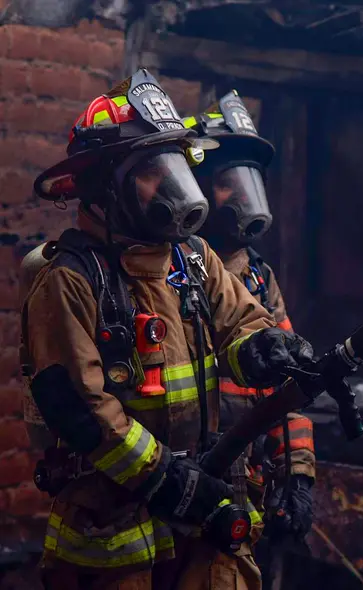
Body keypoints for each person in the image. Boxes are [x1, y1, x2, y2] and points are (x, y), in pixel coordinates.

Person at [21, 69, 315, 590]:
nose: (173, 187)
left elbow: (239, 322)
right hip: (115, 529)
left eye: (173, 166)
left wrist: (264, 347)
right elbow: (86, 410)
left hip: (203, 508)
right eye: (151, 171)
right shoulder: (69, 281)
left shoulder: (193, 256)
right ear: (104, 187)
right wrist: (166, 479)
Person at [181, 93, 316, 548]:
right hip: (179, 485)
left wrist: (298, 476)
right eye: (227, 181)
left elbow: (288, 387)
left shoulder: (258, 277)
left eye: (250, 180)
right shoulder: (170, 272)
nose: (242, 195)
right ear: (192, 187)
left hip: (245, 486)